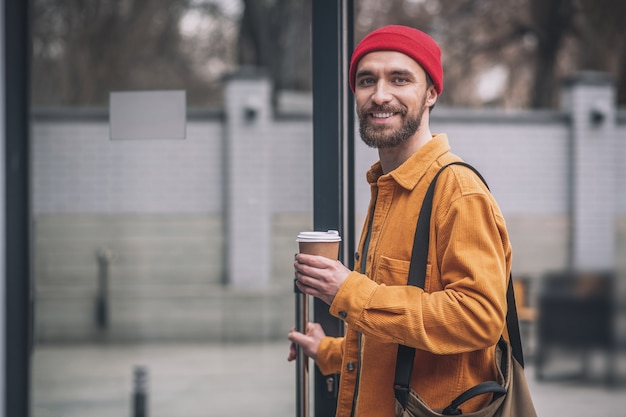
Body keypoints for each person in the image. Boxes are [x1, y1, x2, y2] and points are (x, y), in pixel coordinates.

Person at [288, 25, 512, 417]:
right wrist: (327, 350)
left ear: (431, 94)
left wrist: (349, 291)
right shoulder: (387, 188)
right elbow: (394, 334)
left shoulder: (456, 190)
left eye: (399, 79)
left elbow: (479, 318)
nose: (380, 95)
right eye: (366, 80)